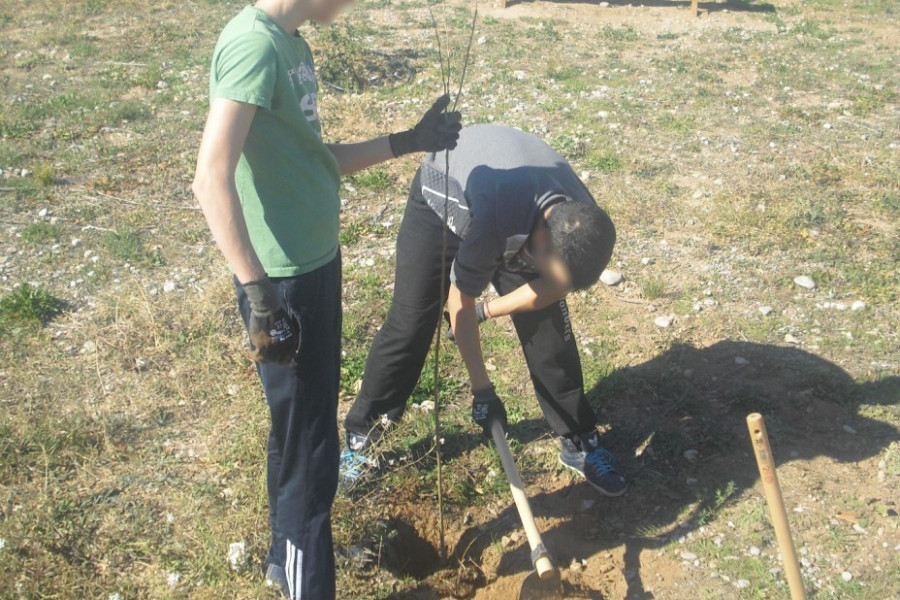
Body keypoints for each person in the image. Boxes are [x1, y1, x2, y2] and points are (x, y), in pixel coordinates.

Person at [191, 0, 461, 597]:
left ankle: (282, 558)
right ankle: (305, 581)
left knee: (299, 432)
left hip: (316, 266)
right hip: (282, 282)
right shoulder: (253, 46)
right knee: (313, 453)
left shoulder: (292, 44)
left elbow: (318, 160)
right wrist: (260, 296)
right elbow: (211, 176)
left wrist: (409, 140)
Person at [341, 124, 626, 498]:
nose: (552, 280)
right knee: (411, 323)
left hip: (519, 211)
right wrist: (483, 390)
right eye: (547, 269)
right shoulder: (494, 220)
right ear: (539, 238)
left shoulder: (580, 221)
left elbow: (547, 288)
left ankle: (579, 438)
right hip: (445, 193)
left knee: (549, 330)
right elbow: (459, 302)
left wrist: (487, 312)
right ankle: (364, 438)